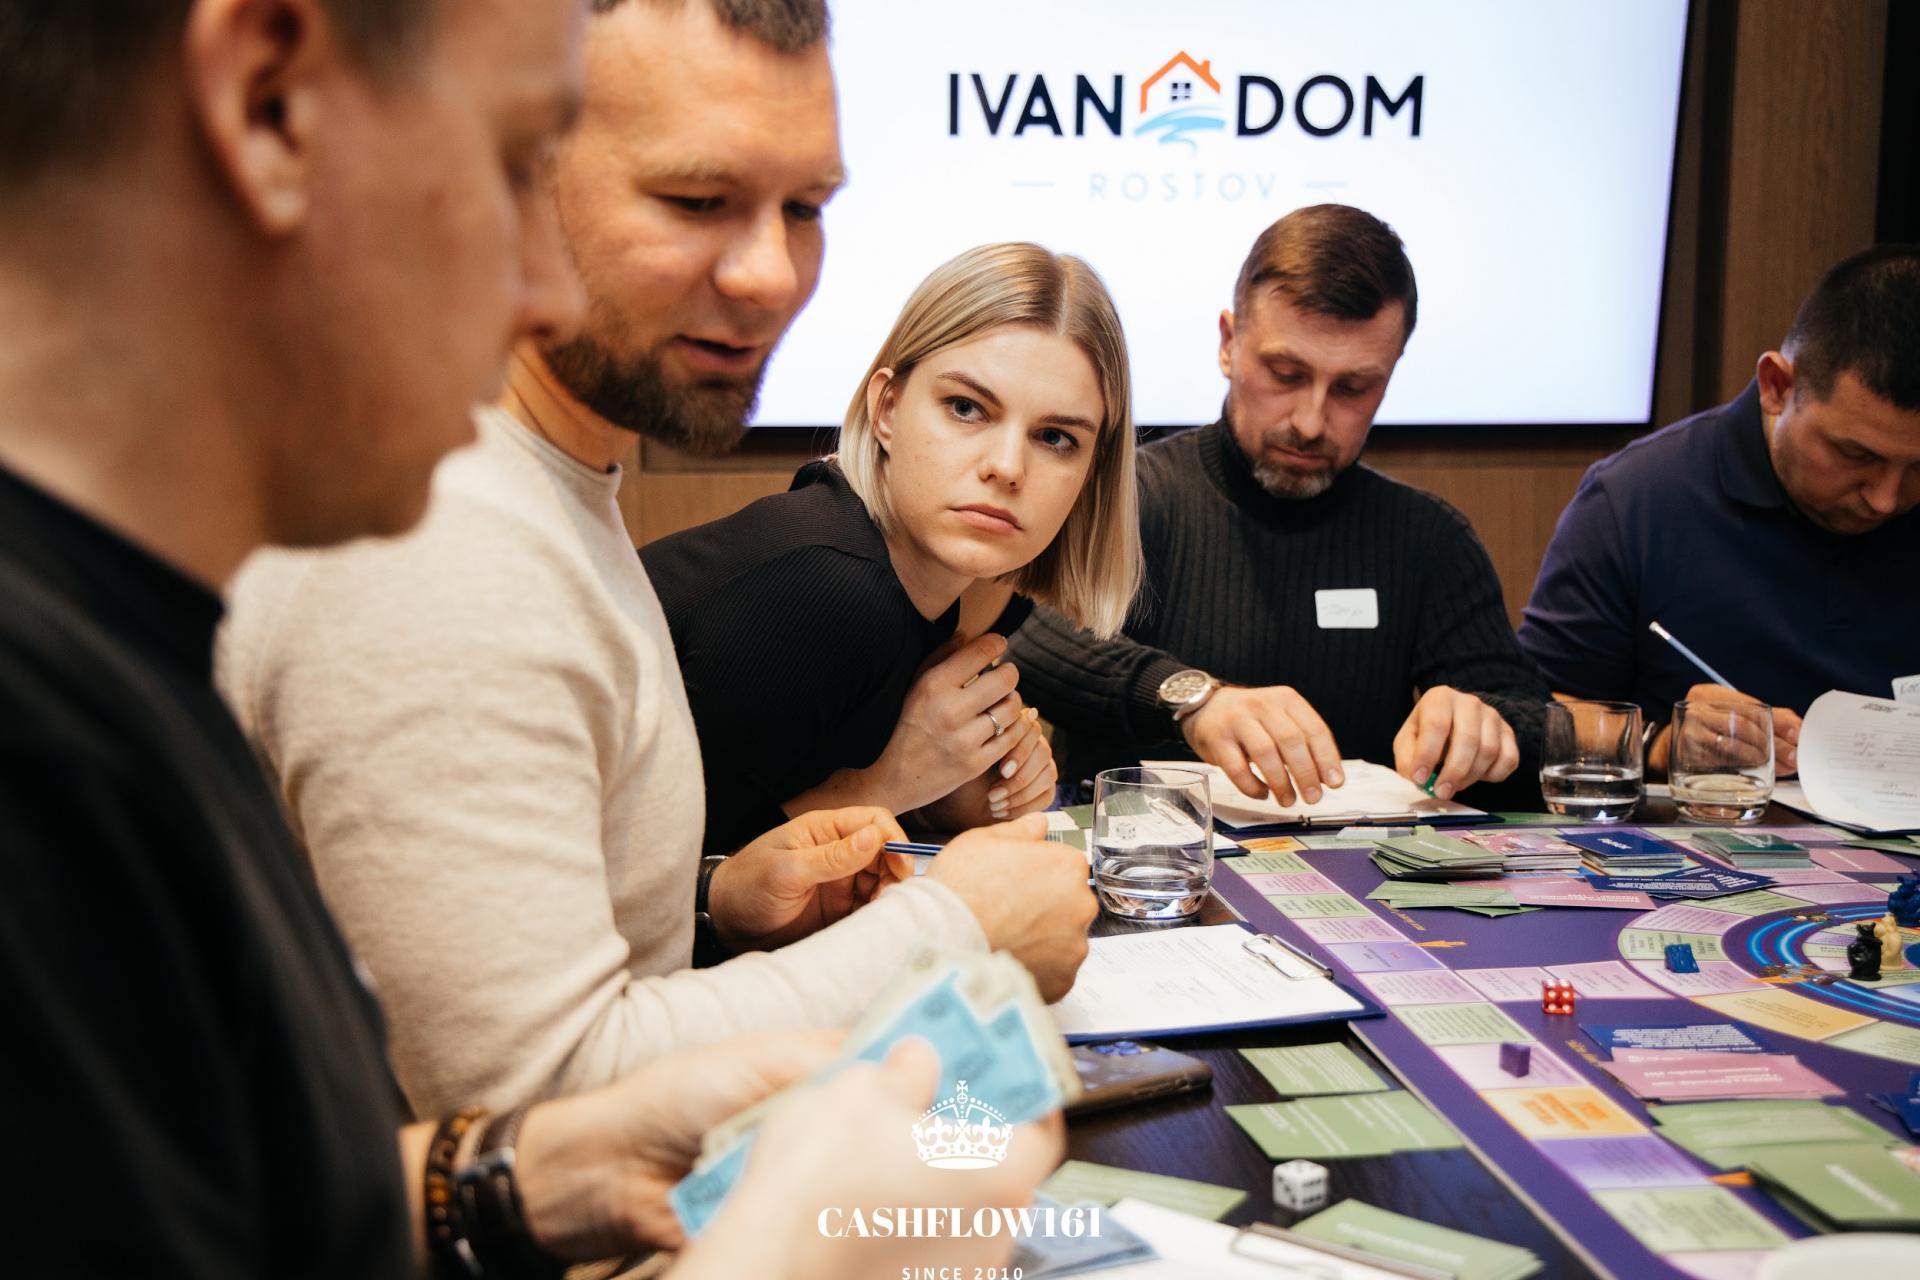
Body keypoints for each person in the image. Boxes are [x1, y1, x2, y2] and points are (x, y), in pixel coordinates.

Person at [0, 1, 1066, 1277]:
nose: (540, 284)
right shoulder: (76, 697)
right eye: (511, 163)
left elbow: (238, 1180)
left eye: (805, 209)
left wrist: (504, 1180)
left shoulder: (111, 633)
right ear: (267, 105)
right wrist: (784, 1243)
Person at [218, 0, 1096, 1122]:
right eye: (696, 200)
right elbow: (529, 1108)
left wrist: (721, 900)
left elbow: (527, 971)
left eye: (805, 208)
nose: (771, 274)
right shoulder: (435, 537)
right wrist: (956, 927)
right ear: (513, 174)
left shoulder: (550, 485)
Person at [1009, 204, 1545, 808]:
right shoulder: (1131, 494)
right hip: (1143, 853)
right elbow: (1029, 638)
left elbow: (1535, 723)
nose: (1311, 422)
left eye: (1353, 388)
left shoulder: (1428, 538)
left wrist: (1488, 726)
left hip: (1367, 860)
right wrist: (1193, 700)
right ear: (1229, 343)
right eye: (1286, 374)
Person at [641, 241, 1144, 853]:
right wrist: (887, 784)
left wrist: (946, 795)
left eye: (1056, 437)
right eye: (966, 408)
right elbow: (660, 871)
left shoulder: (983, 588)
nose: (1008, 467)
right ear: (886, 408)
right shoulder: (826, 583)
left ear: (1093, 469)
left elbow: (794, 788)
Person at [1521, 244, 1920, 777]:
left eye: (1918, 467)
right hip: (1703, 819)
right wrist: (1661, 743)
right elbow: (1538, 713)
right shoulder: (1637, 501)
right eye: (1856, 455)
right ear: (1777, 387)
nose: (1886, 498)